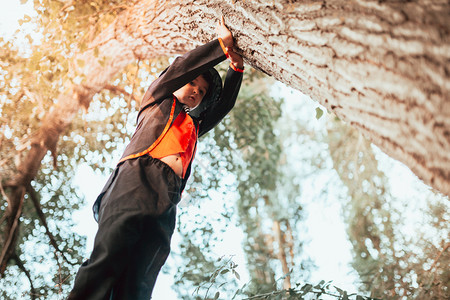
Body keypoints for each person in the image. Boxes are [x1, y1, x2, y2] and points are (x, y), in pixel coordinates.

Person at [68, 16, 244, 300]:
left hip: (169, 195)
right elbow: (181, 68)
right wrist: (220, 46)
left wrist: (235, 67)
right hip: (136, 178)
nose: (196, 91)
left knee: (141, 279)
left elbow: (221, 107)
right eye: (193, 84)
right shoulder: (156, 99)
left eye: (201, 91)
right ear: (175, 85)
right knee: (109, 256)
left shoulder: (193, 126)